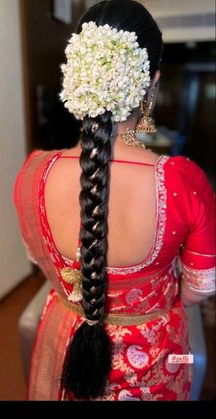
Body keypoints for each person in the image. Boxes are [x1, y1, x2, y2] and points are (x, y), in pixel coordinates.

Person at [13, 0, 215, 401]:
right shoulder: (182, 181)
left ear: (76, 80)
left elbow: (40, 262)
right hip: (156, 359)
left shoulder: (33, 173)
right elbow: (198, 290)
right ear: (151, 84)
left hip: (66, 344)